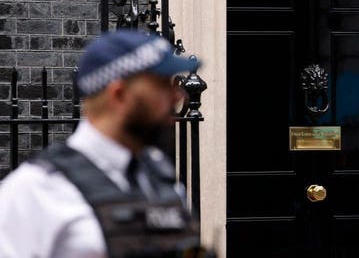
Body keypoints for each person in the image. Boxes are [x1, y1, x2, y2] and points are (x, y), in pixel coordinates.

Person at [0, 31, 211, 257]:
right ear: (118, 95)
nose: (178, 96)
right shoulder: (35, 192)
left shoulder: (161, 179)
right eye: (161, 85)